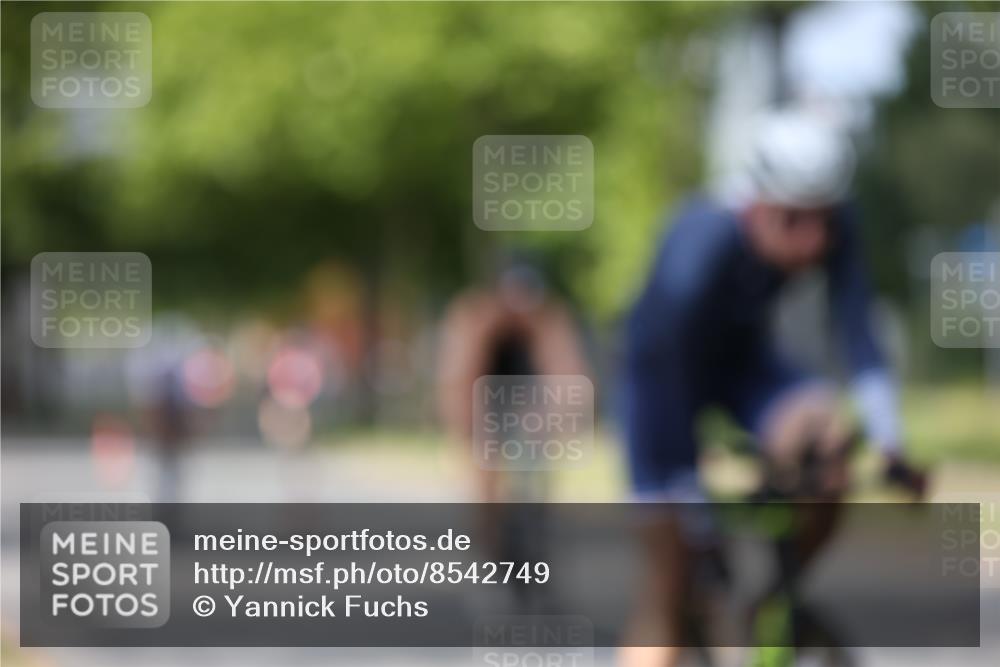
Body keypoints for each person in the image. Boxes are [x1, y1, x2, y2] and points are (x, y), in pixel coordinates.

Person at [618, 108, 926, 666]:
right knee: (669, 581)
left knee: (829, 438)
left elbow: (857, 330)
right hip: (658, 380)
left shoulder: (832, 222)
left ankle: (771, 600)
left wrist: (890, 443)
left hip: (743, 368)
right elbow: (664, 362)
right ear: (754, 203)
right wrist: (687, 483)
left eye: (825, 221)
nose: (814, 242)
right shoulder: (703, 238)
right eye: (792, 220)